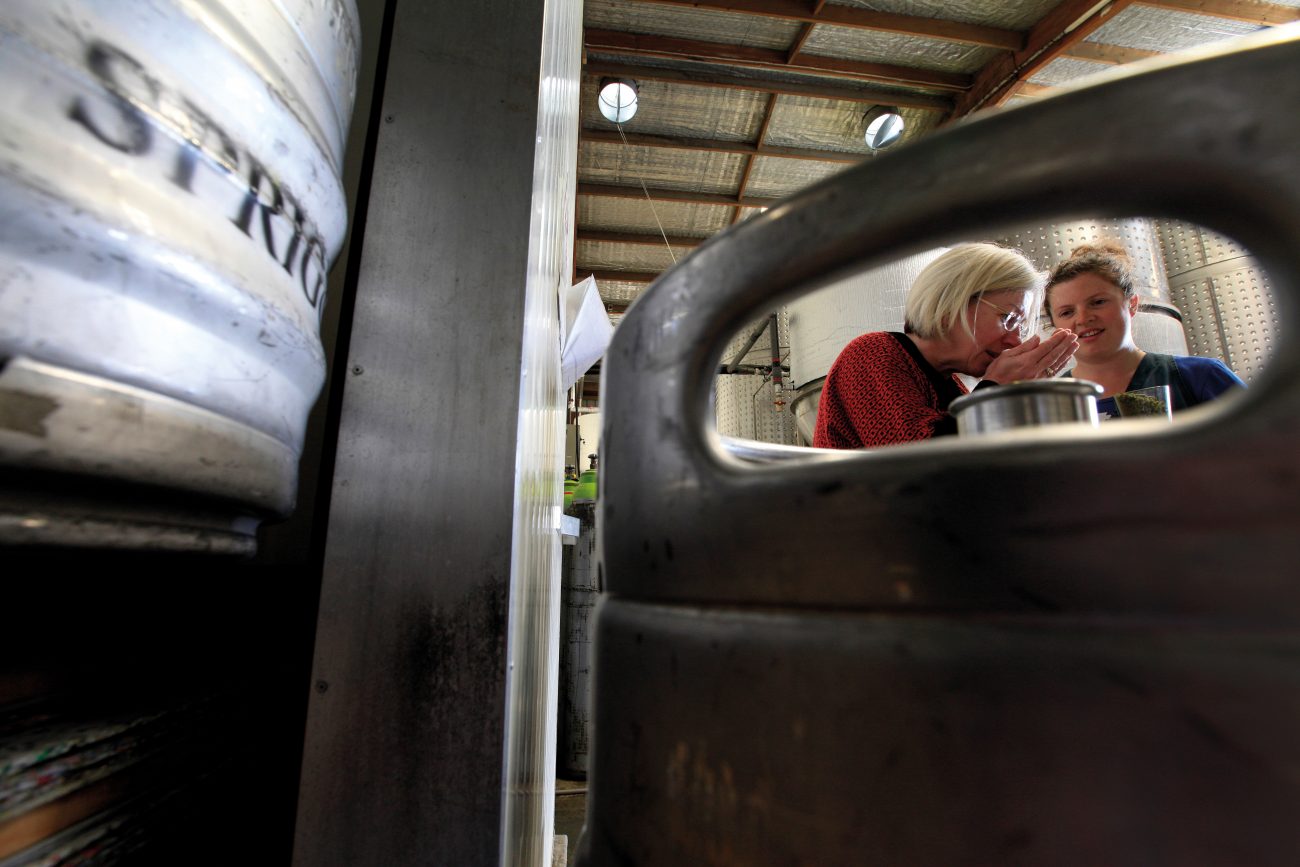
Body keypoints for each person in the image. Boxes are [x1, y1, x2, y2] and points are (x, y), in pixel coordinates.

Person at [814, 243, 1079, 449]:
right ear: (952, 301)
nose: (1015, 340)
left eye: (1020, 327)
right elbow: (917, 464)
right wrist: (995, 393)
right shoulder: (873, 353)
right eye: (1007, 319)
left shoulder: (955, 387)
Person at [1044, 242, 1245, 416]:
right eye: (1067, 312)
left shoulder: (1201, 377)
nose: (1083, 318)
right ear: (1054, 324)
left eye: (1098, 302)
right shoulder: (1048, 403)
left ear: (1131, 304)